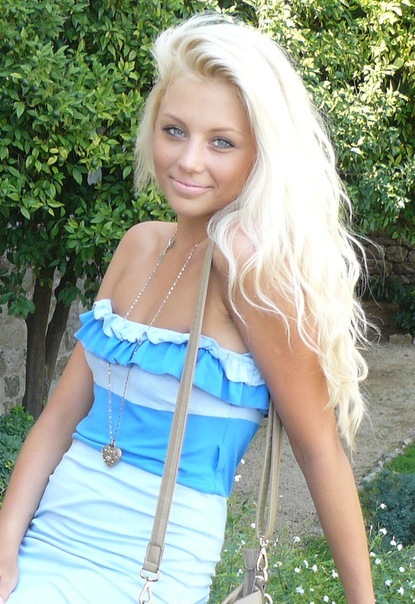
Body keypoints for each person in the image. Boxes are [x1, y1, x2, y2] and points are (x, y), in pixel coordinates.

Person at [0, 13, 375, 604]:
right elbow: (58, 419)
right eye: (174, 130)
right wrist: (4, 545)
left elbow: (318, 448)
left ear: (261, 155)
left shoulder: (249, 271)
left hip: (142, 574)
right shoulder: (138, 246)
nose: (189, 160)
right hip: (43, 541)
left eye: (221, 141)